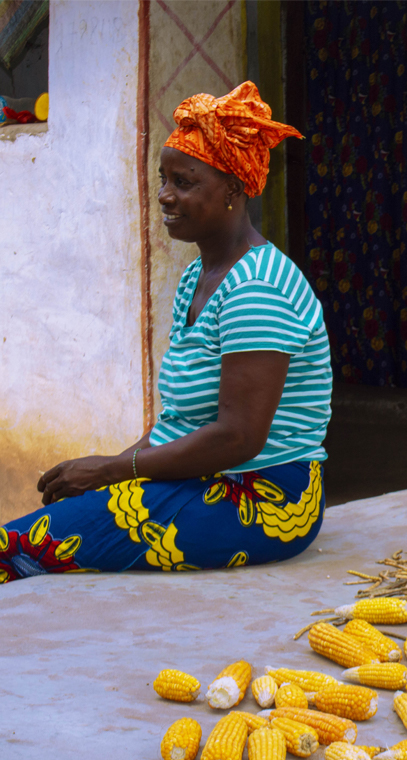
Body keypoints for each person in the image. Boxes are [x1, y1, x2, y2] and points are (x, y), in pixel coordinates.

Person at [0, 83, 331, 583]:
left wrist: (113, 472)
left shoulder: (258, 287)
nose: (165, 195)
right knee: (48, 533)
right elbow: (179, 420)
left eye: (184, 181)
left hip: (266, 497)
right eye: (163, 178)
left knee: (20, 547)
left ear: (234, 190)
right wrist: (115, 467)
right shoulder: (198, 279)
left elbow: (238, 436)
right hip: (206, 482)